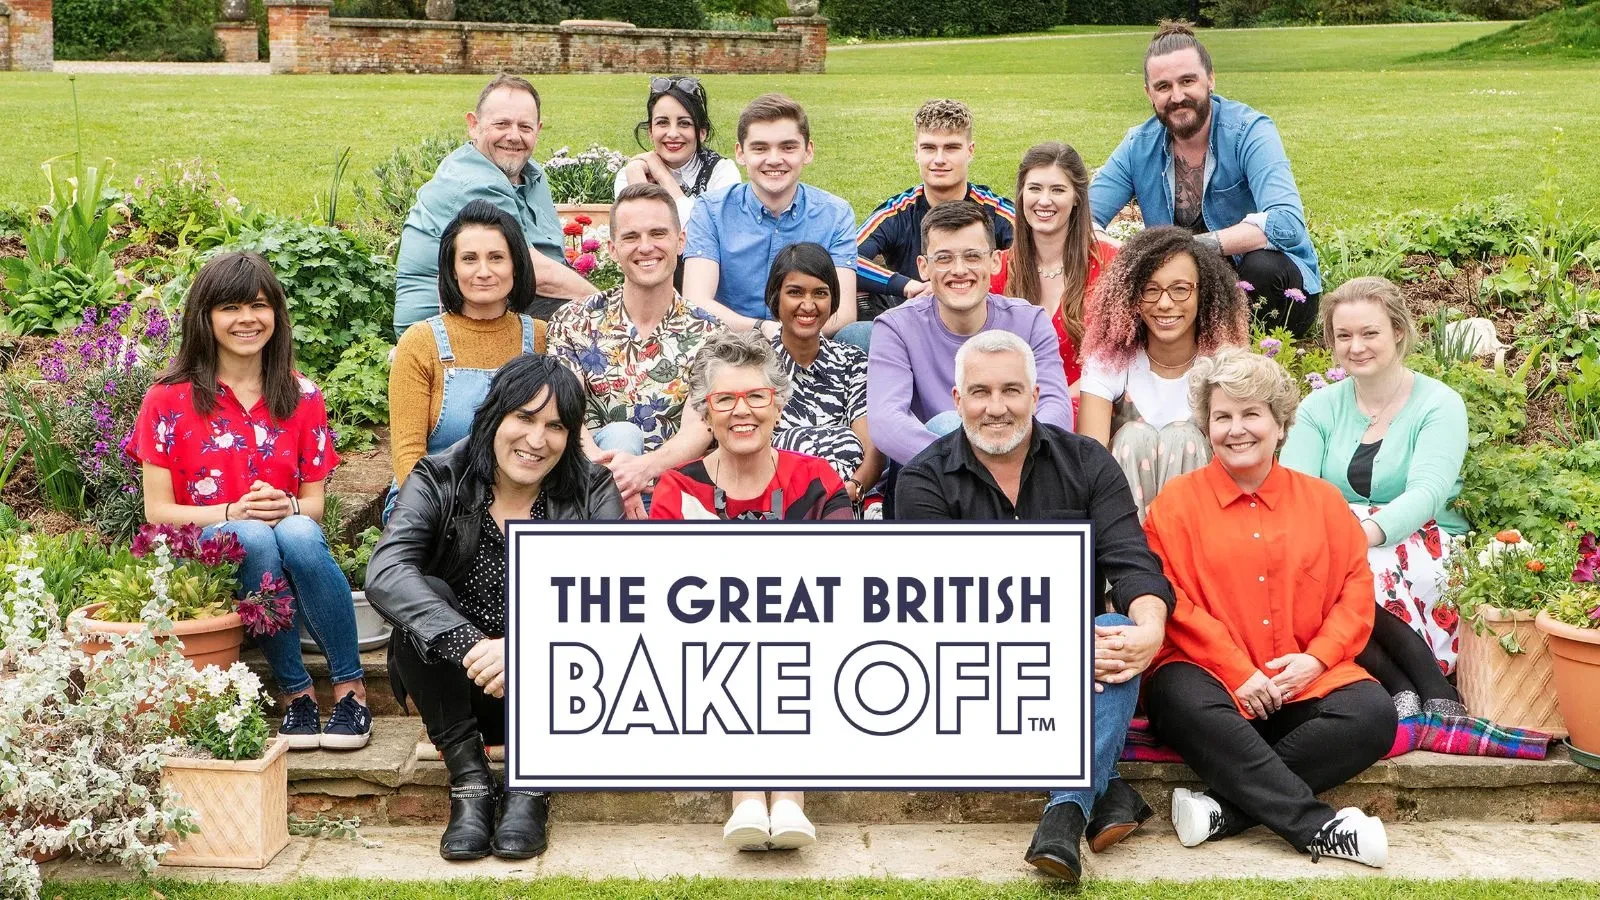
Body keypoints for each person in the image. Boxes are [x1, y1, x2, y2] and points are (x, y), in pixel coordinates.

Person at [896, 331, 1174, 882]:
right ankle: (1103, 792)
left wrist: (1150, 626)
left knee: (1116, 629)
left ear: (1037, 394)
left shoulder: (1086, 461)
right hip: (971, 668)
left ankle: (1064, 814)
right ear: (957, 401)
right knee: (1095, 648)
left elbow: (1130, 558)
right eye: (979, 392)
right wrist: (1058, 651)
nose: (995, 408)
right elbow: (939, 607)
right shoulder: (922, 479)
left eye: (1010, 391)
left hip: (1085, 662)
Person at [1142, 348, 1394, 868]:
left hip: (1299, 682)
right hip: (1210, 686)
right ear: (1205, 425)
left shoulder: (1324, 502)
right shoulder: (1175, 503)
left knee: (1372, 713)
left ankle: (1222, 812)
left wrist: (1317, 661)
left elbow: (1354, 590)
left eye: (1251, 413)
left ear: (1280, 424)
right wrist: (1236, 672)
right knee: (1174, 694)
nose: (1237, 429)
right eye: (1222, 416)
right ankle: (1318, 826)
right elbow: (1174, 601)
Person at [366, 355, 624, 862]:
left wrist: (525, 649)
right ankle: (469, 782)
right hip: (461, 687)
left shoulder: (592, 489)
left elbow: (615, 598)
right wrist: (475, 645)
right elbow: (386, 573)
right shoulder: (440, 476)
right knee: (425, 597)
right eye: (524, 418)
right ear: (493, 418)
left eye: (555, 426)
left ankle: (531, 786)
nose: (537, 439)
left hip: (558, 689)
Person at [129, 252, 370, 752]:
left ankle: (350, 689)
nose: (246, 319)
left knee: (299, 531)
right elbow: (158, 512)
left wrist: (288, 507)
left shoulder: (303, 395)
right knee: (255, 535)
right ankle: (296, 692)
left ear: (276, 315)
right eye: (230, 307)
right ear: (205, 317)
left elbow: (314, 506)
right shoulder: (166, 400)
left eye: (259, 305)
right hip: (206, 547)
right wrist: (232, 512)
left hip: (285, 533)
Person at [649, 330, 851, 850]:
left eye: (756, 397)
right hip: (704, 655)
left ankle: (783, 796)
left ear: (778, 405)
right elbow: (667, 591)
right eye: (725, 400)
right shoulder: (678, 487)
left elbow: (845, 574)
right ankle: (753, 794)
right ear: (706, 412)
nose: (743, 412)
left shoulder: (817, 479)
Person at [1282, 276, 1470, 690]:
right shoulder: (1318, 408)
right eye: (1343, 335)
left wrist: (1357, 535)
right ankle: (1403, 688)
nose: (1356, 346)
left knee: (1365, 566)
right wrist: (1332, 539)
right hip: (1332, 540)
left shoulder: (1439, 404)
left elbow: (1428, 492)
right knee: (1317, 568)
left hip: (1423, 538)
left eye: (1370, 333)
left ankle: (1421, 686)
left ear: (1398, 331)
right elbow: (1294, 489)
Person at [1089, 22, 1321, 336]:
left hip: (1270, 290)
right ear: (1148, 93)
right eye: (1163, 87)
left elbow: (1287, 223)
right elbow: (1083, 217)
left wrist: (1189, 246)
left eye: (1188, 81)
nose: (1177, 96)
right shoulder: (1138, 146)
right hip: (1185, 291)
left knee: (1261, 268)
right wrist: (1127, 257)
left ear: (1210, 79)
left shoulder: (1249, 132)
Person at [547, 183, 722, 519]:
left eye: (658, 233)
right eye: (631, 237)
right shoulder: (574, 321)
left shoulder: (711, 333)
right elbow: (563, 412)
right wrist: (613, 479)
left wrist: (641, 470)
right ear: (612, 249)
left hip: (677, 496)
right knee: (621, 434)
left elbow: (700, 429)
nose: (646, 247)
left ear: (680, 241)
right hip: (588, 493)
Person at [867, 201, 1073, 469]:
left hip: (1018, 467)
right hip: (932, 475)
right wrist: (968, 466)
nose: (960, 270)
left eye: (972, 256)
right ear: (923, 267)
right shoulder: (896, 328)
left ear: (995, 261)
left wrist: (1012, 459)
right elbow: (887, 423)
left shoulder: (1030, 321)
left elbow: (1054, 406)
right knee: (949, 425)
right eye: (944, 258)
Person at [395, 75, 595, 333]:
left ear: (539, 129)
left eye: (525, 127)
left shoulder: (531, 175)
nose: (514, 136)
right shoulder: (473, 182)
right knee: (600, 333)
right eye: (501, 124)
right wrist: (610, 305)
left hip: (509, 301)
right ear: (473, 125)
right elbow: (535, 273)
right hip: (448, 327)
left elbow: (550, 256)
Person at [1078, 225, 1249, 518]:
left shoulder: (1224, 363)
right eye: (1150, 290)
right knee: (1133, 437)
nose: (1165, 303)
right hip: (1125, 524)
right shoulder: (1109, 359)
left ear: (1203, 293)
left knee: (1184, 438)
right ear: (1132, 296)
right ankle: (1130, 558)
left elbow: (1241, 459)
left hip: (1208, 520)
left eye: (1180, 289)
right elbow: (1091, 458)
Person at [389, 200, 544, 503]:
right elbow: (409, 454)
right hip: (432, 498)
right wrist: (438, 514)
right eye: (469, 259)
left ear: (516, 265)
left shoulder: (540, 337)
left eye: (497, 258)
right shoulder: (421, 342)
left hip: (518, 499)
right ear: (452, 269)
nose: (483, 271)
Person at [682, 93, 858, 338]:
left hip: (808, 345)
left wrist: (789, 337)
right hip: (730, 346)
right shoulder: (712, 211)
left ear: (808, 152)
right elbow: (696, 302)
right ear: (741, 153)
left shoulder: (835, 214)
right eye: (760, 148)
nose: (774, 160)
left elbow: (844, 313)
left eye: (788, 147)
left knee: (860, 335)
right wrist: (762, 329)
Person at [847, 98, 1015, 348]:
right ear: (916, 151)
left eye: (951, 148)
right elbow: (846, 257)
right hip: (915, 330)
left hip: (985, 329)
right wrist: (909, 287)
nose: (939, 159)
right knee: (854, 335)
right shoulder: (899, 211)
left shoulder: (996, 210)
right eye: (929, 148)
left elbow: (1037, 255)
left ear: (970, 151)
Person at [992, 142, 1117, 393]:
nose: (1044, 200)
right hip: (1015, 413)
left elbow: (1118, 357)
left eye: (1058, 190)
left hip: (1090, 404)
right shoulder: (999, 268)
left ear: (1077, 198)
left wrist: (1056, 405)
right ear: (1021, 195)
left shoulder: (1109, 265)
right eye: (1035, 189)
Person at [764, 242, 885, 503]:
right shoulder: (753, 364)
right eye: (795, 292)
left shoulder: (852, 362)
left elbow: (871, 448)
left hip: (844, 499)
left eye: (820, 293)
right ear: (775, 296)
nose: (808, 305)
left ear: (833, 300)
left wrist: (854, 487)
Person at [613, 76, 741, 232]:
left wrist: (662, 175)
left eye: (684, 123)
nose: (672, 134)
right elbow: (642, 233)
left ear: (701, 133)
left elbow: (704, 232)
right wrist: (636, 178)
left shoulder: (722, 172)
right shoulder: (631, 173)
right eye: (662, 122)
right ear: (651, 132)